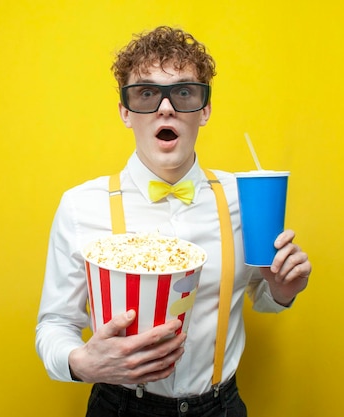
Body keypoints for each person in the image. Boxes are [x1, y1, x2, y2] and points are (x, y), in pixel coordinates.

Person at [35, 25, 311, 417]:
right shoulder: (81, 206)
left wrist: (284, 289)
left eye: (183, 93)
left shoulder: (241, 198)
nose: (166, 108)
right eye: (147, 93)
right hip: (121, 407)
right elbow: (54, 323)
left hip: (220, 407)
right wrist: (80, 363)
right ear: (125, 112)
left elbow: (264, 298)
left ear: (205, 110)